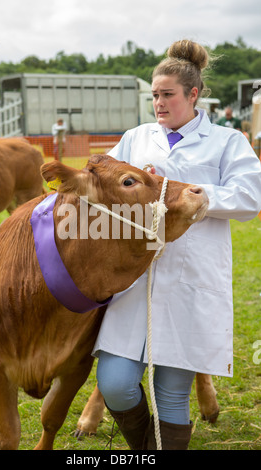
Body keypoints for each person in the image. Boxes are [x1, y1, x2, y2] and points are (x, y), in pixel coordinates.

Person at [92, 40, 261, 450]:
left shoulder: (226, 141)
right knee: (114, 385)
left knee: (170, 395)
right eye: (155, 95)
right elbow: (98, 181)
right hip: (134, 279)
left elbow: (251, 197)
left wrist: (203, 198)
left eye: (168, 95)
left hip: (189, 280)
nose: (159, 103)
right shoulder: (135, 138)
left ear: (193, 95)